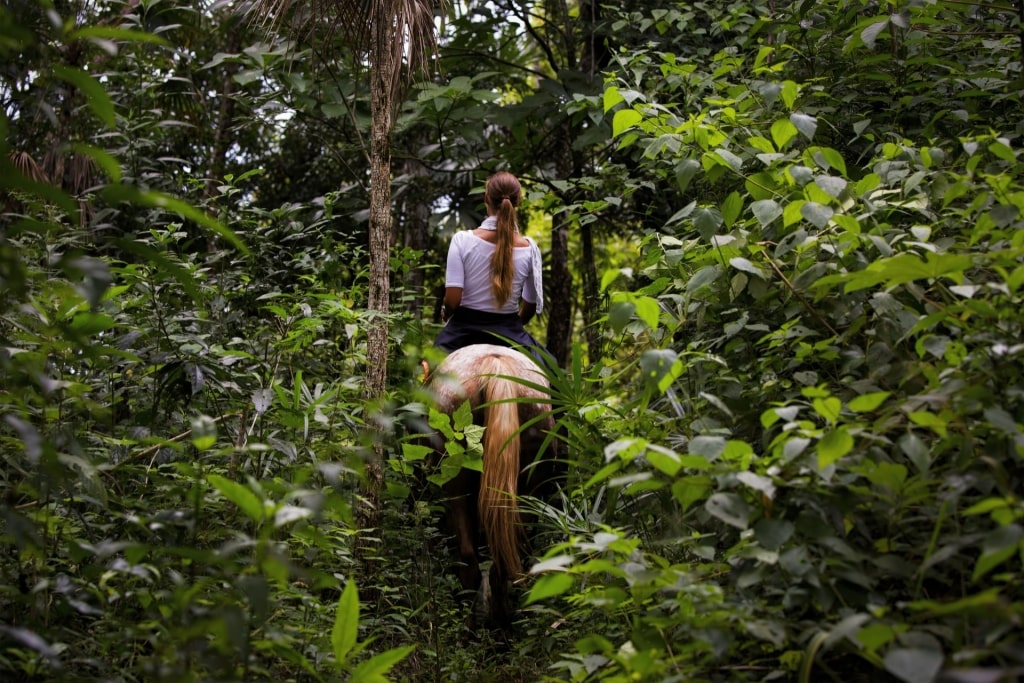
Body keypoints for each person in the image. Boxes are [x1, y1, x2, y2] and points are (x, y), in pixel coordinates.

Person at [434, 171, 546, 362]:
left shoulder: (462, 240)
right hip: (509, 331)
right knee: (551, 371)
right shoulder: (530, 249)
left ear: (486, 197)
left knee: (425, 374)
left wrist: (446, 312)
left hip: (463, 330)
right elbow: (529, 307)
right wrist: (511, 324)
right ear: (518, 201)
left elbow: (453, 300)